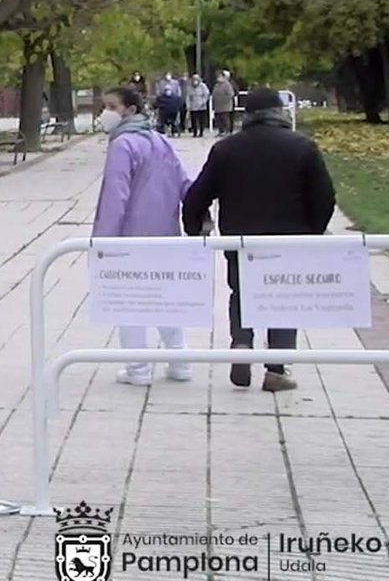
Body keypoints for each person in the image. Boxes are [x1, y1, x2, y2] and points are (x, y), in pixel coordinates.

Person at [182, 89, 335, 392]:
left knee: (241, 292)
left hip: (240, 237)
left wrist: (194, 226)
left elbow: (197, 194)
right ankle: (277, 368)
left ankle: (242, 343)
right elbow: (325, 197)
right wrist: (313, 232)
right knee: (284, 300)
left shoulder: (225, 149)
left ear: (246, 115)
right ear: (280, 113)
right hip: (289, 239)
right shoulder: (303, 147)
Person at [93, 87, 194, 386]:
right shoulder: (160, 140)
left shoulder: (123, 145)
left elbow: (116, 195)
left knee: (130, 302)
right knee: (164, 298)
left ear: (131, 110)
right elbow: (183, 181)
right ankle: (180, 362)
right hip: (164, 233)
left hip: (131, 237)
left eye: (112, 106)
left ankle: (138, 367)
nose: (105, 113)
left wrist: (103, 242)